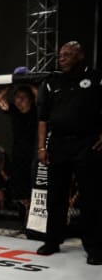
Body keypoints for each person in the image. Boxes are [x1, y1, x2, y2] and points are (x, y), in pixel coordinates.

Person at [36, 41, 102, 265]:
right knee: (55, 196)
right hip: (58, 145)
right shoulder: (52, 81)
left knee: (90, 196)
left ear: (80, 55)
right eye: (61, 55)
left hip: (87, 143)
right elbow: (43, 119)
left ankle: (93, 246)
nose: (62, 58)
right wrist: (42, 147)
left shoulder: (95, 78)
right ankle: (52, 240)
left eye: (68, 54)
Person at [0, 83, 37, 207]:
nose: (19, 100)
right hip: (18, 155)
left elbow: (40, 96)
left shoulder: (36, 109)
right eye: (17, 97)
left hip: (35, 154)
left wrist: (29, 81)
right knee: (21, 192)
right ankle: (26, 213)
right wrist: (13, 82)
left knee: (34, 189)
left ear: (30, 99)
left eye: (23, 97)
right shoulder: (14, 111)